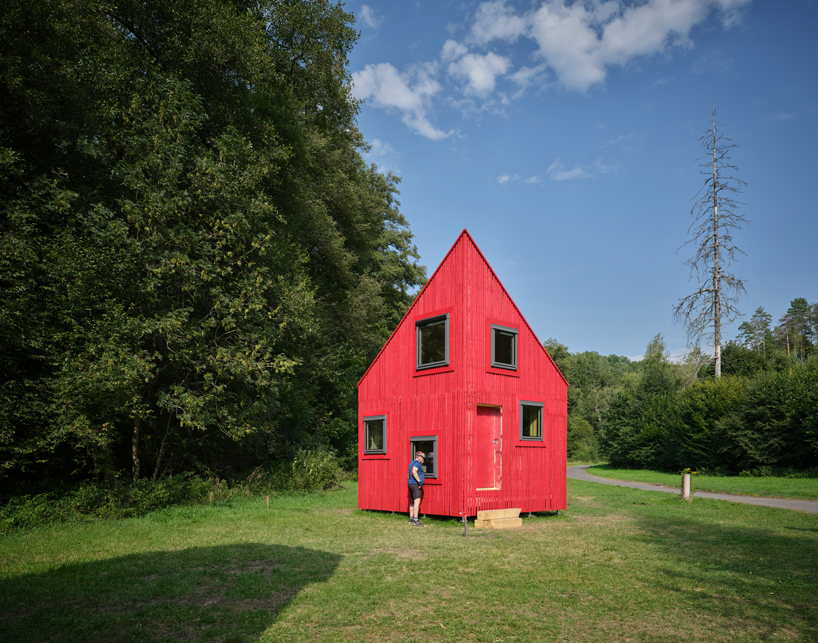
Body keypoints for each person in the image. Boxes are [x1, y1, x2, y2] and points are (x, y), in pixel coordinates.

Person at [407, 450, 426, 526]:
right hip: (415, 484)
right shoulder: (417, 463)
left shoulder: (411, 463)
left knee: (412, 502)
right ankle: (416, 520)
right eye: (423, 459)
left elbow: (409, 474)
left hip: (411, 483)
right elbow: (414, 472)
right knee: (417, 501)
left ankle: (411, 519)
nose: (423, 461)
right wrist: (419, 481)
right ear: (420, 457)